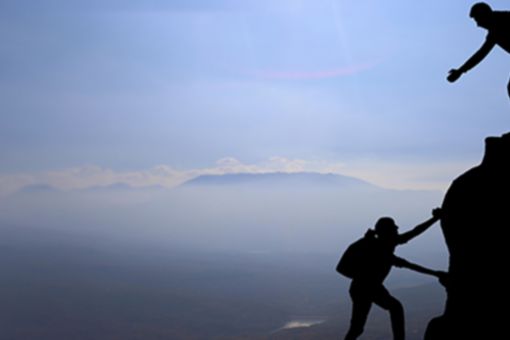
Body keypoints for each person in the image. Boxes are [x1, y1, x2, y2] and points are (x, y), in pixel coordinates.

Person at [343, 208, 445, 340]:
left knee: (360, 326)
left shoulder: (383, 244)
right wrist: (435, 273)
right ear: (387, 233)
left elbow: (412, 234)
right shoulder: (379, 248)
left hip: (367, 287)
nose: (397, 232)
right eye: (394, 230)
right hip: (365, 288)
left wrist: (434, 219)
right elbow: (408, 263)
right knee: (360, 326)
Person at [447, 3, 510, 99]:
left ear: (484, 15)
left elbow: (481, 53)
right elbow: (481, 53)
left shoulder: (502, 21)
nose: (478, 25)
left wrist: (460, 71)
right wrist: (460, 70)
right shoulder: (494, 30)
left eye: (478, 20)